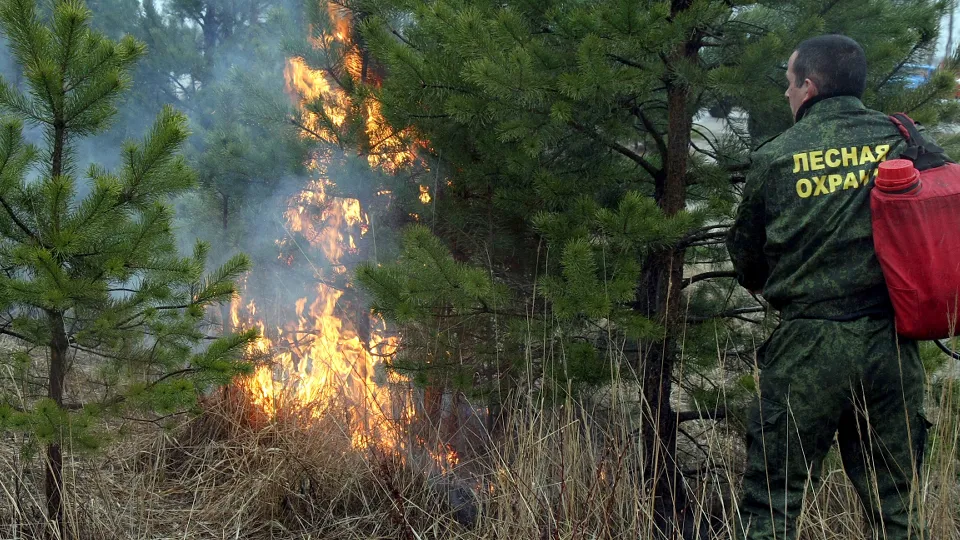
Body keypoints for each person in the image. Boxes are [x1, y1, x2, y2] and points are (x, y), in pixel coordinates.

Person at [727, 34, 930, 540]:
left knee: (773, 503)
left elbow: (747, 261)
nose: (786, 95)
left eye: (789, 84)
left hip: (808, 347)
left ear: (810, 87)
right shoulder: (902, 138)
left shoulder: (777, 157)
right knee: (898, 506)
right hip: (891, 343)